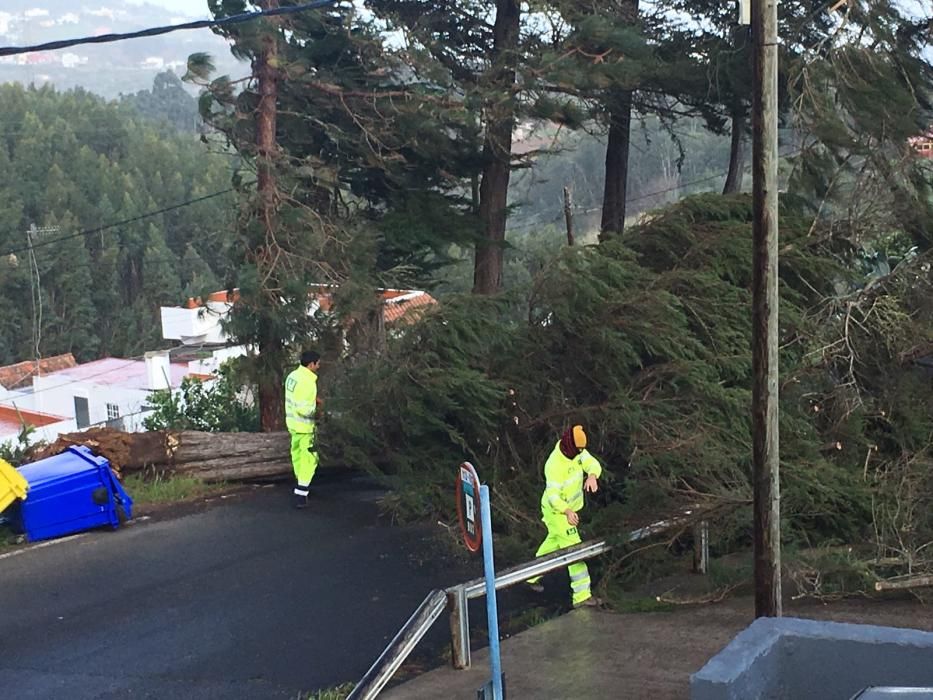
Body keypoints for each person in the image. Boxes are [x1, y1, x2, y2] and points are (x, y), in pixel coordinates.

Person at [527, 424, 602, 607]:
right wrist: (567, 511)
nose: (580, 454)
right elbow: (553, 497)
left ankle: (529, 576)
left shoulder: (578, 452)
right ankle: (582, 597)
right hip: (557, 512)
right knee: (575, 551)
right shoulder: (553, 465)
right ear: (570, 446)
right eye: (578, 450)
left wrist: (592, 475)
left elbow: (592, 463)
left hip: (568, 511)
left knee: (553, 544)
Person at [284, 350, 321, 509]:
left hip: (292, 424)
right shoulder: (308, 382)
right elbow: (303, 408)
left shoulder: (292, 376)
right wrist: (319, 414)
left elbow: (295, 398)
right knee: (310, 458)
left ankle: (301, 482)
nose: (319, 366)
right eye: (318, 363)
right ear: (311, 364)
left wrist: (315, 400)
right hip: (305, 426)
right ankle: (302, 490)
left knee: (297, 455)